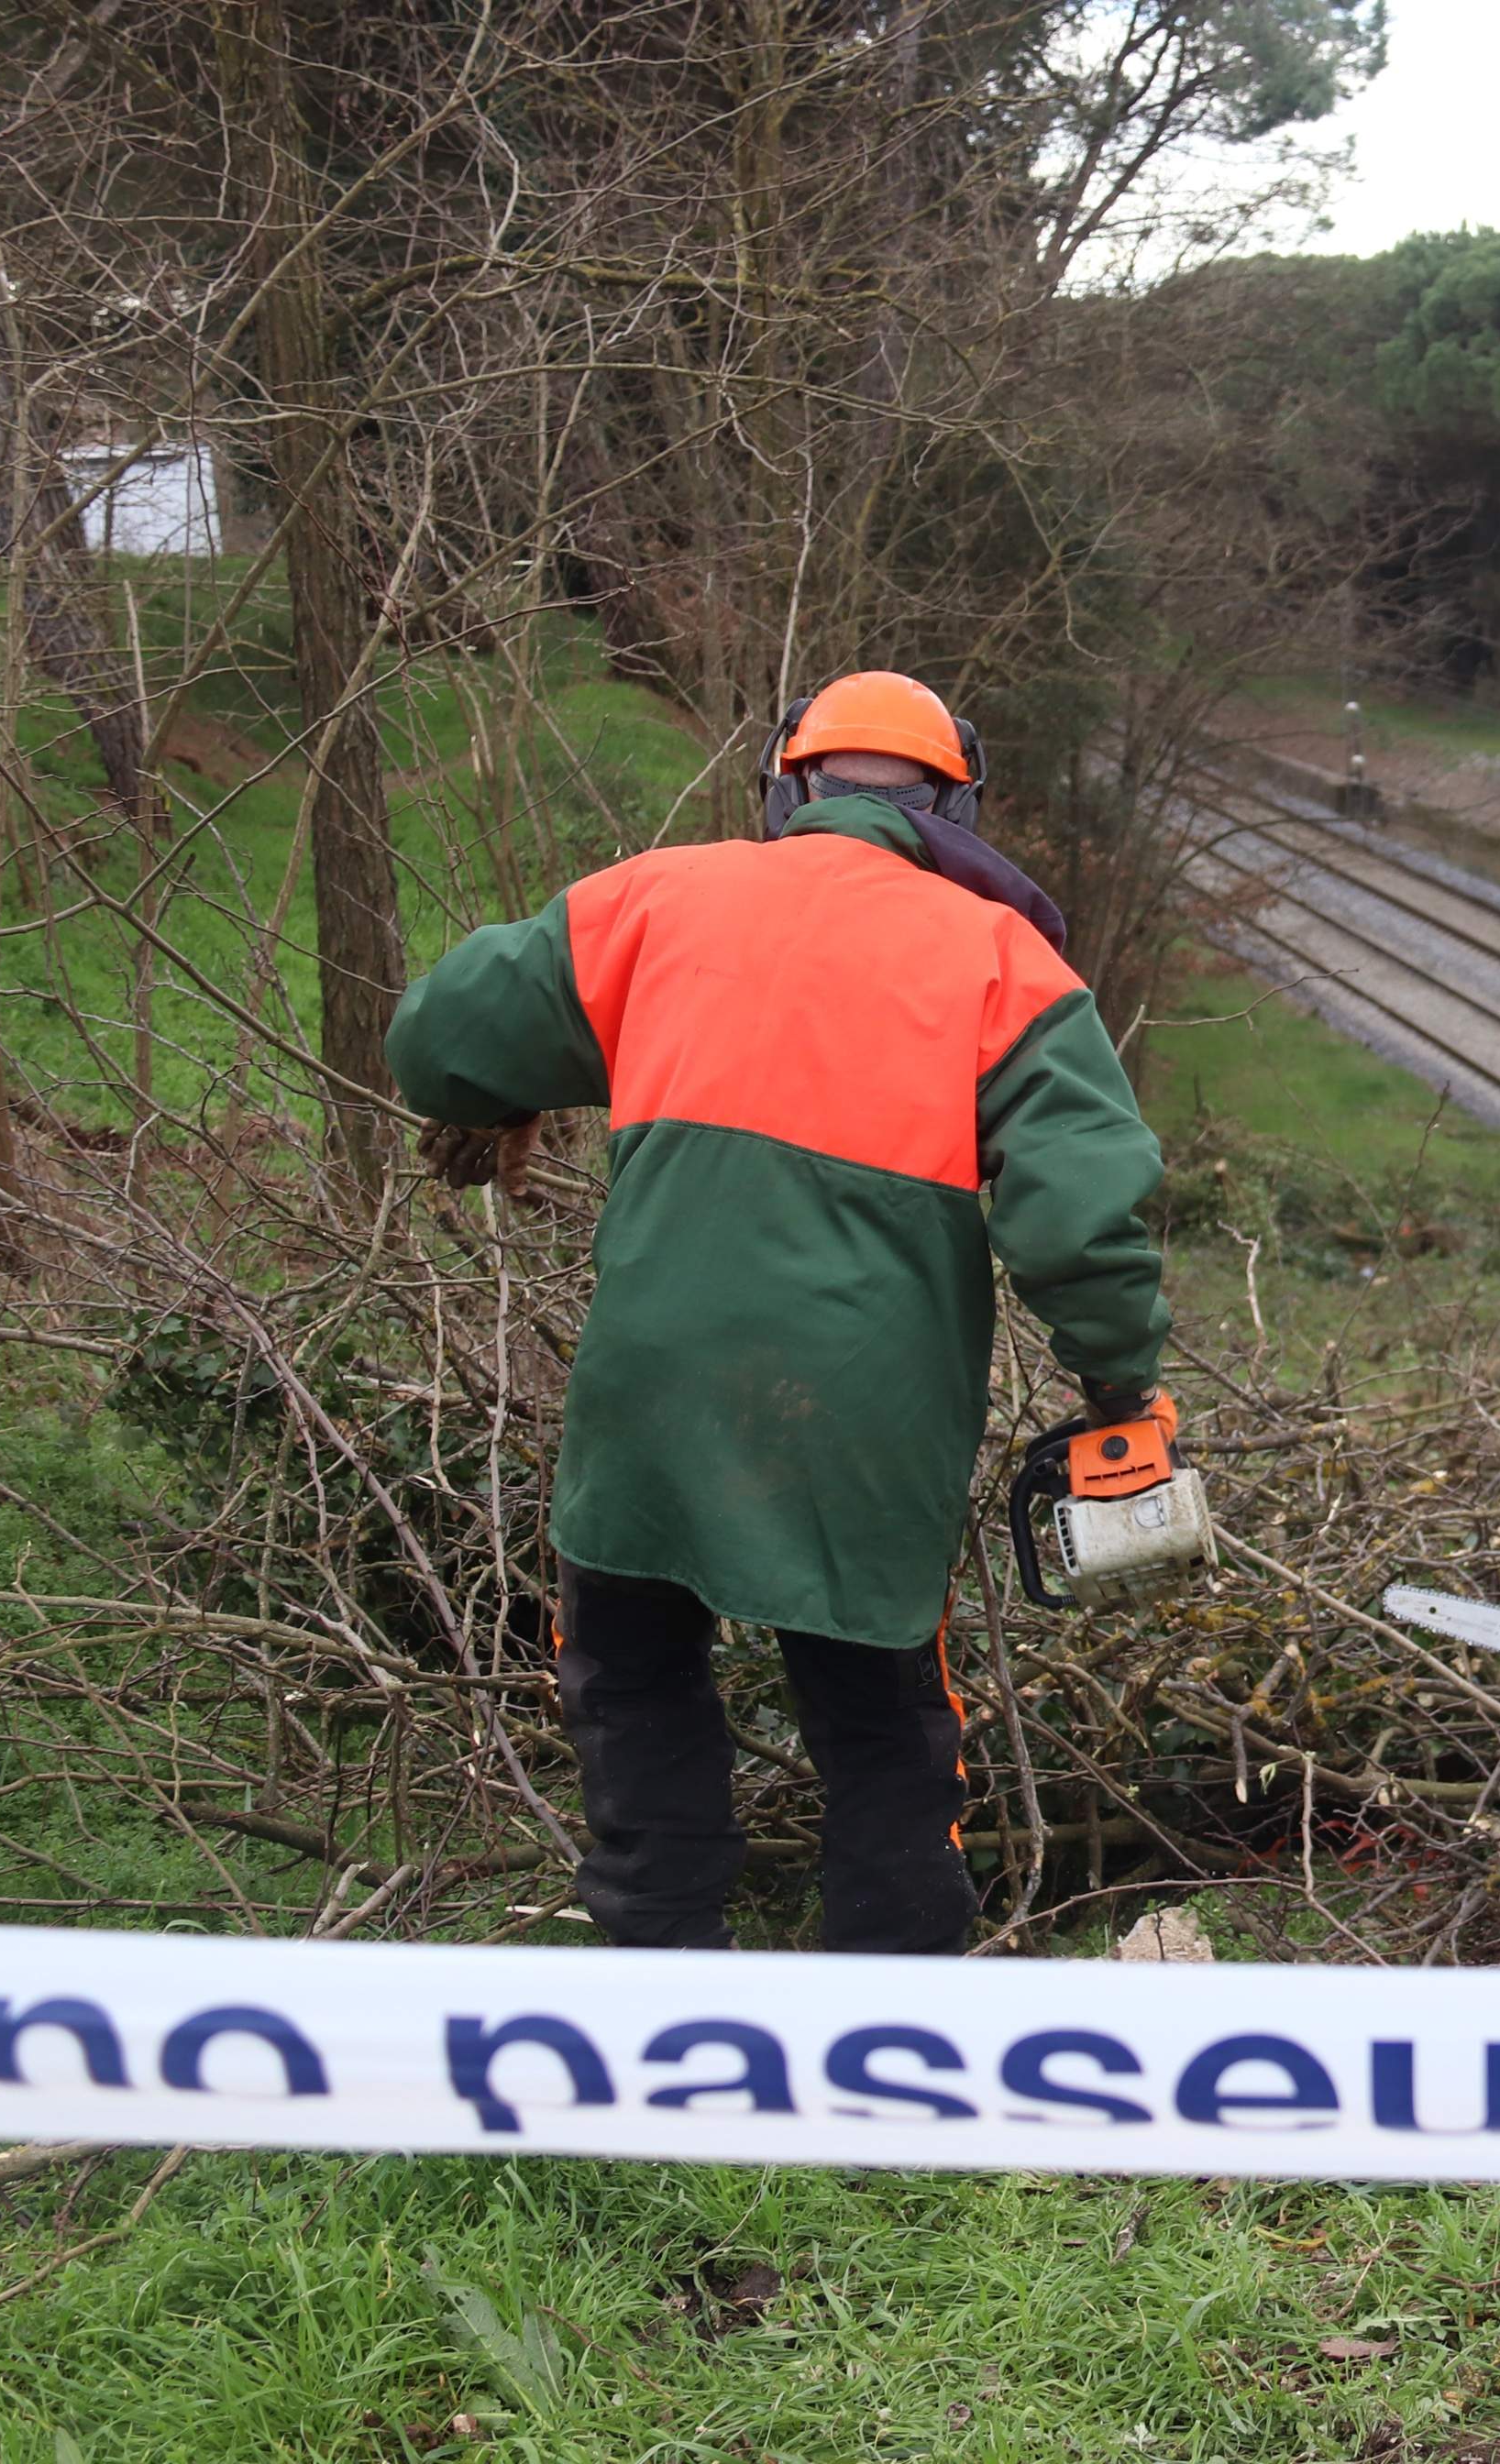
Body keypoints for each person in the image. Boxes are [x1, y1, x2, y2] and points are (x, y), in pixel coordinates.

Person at [386, 668, 1169, 1956]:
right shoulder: (1002, 962)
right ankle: (887, 2008)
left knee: (633, 1673)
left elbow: (439, 1040)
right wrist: (1116, 1385)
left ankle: (660, 1966)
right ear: (957, 805)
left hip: (654, 1383)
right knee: (876, 1715)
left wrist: (605, 1050)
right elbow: (1078, 1213)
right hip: (865, 1408)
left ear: (787, 784)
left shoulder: (653, 901)